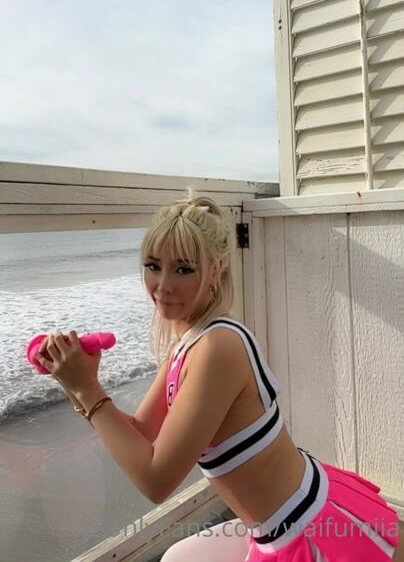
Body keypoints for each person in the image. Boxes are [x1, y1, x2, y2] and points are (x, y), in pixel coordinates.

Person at [36, 192, 403, 561]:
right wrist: (75, 384)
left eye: (183, 269)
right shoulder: (187, 344)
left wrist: (88, 389)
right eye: (153, 265)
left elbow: (156, 480)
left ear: (217, 269)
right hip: (276, 526)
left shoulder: (218, 347)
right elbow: (141, 433)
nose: (163, 284)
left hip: (307, 530)